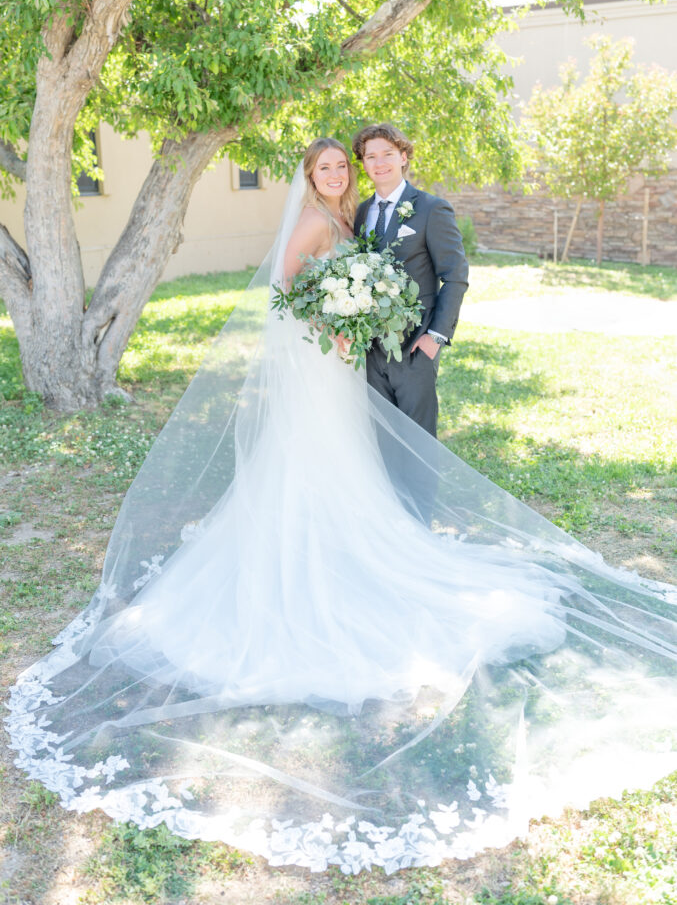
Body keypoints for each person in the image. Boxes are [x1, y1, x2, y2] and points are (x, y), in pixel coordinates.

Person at [6, 138, 677, 877]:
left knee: (353, 463)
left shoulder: (359, 214)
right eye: (326, 167)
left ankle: (374, 531)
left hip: (347, 360)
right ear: (309, 176)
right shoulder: (320, 221)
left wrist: (370, 320)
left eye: (344, 166)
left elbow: (434, 275)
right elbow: (284, 289)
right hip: (322, 360)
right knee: (311, 465)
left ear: (363, 170)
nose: (337, 174)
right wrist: (328, 319)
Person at [352, 123, 468, 438]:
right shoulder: (361, 213)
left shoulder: (432, 208)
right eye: (370, 156)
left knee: (418, 441)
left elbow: (455, 276)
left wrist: (436, 337)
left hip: (416, 345)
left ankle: (419, 491)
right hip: (371, 349)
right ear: (363, 163)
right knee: (382, 438)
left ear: (403, 157)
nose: (379, 163)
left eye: (387, 154)